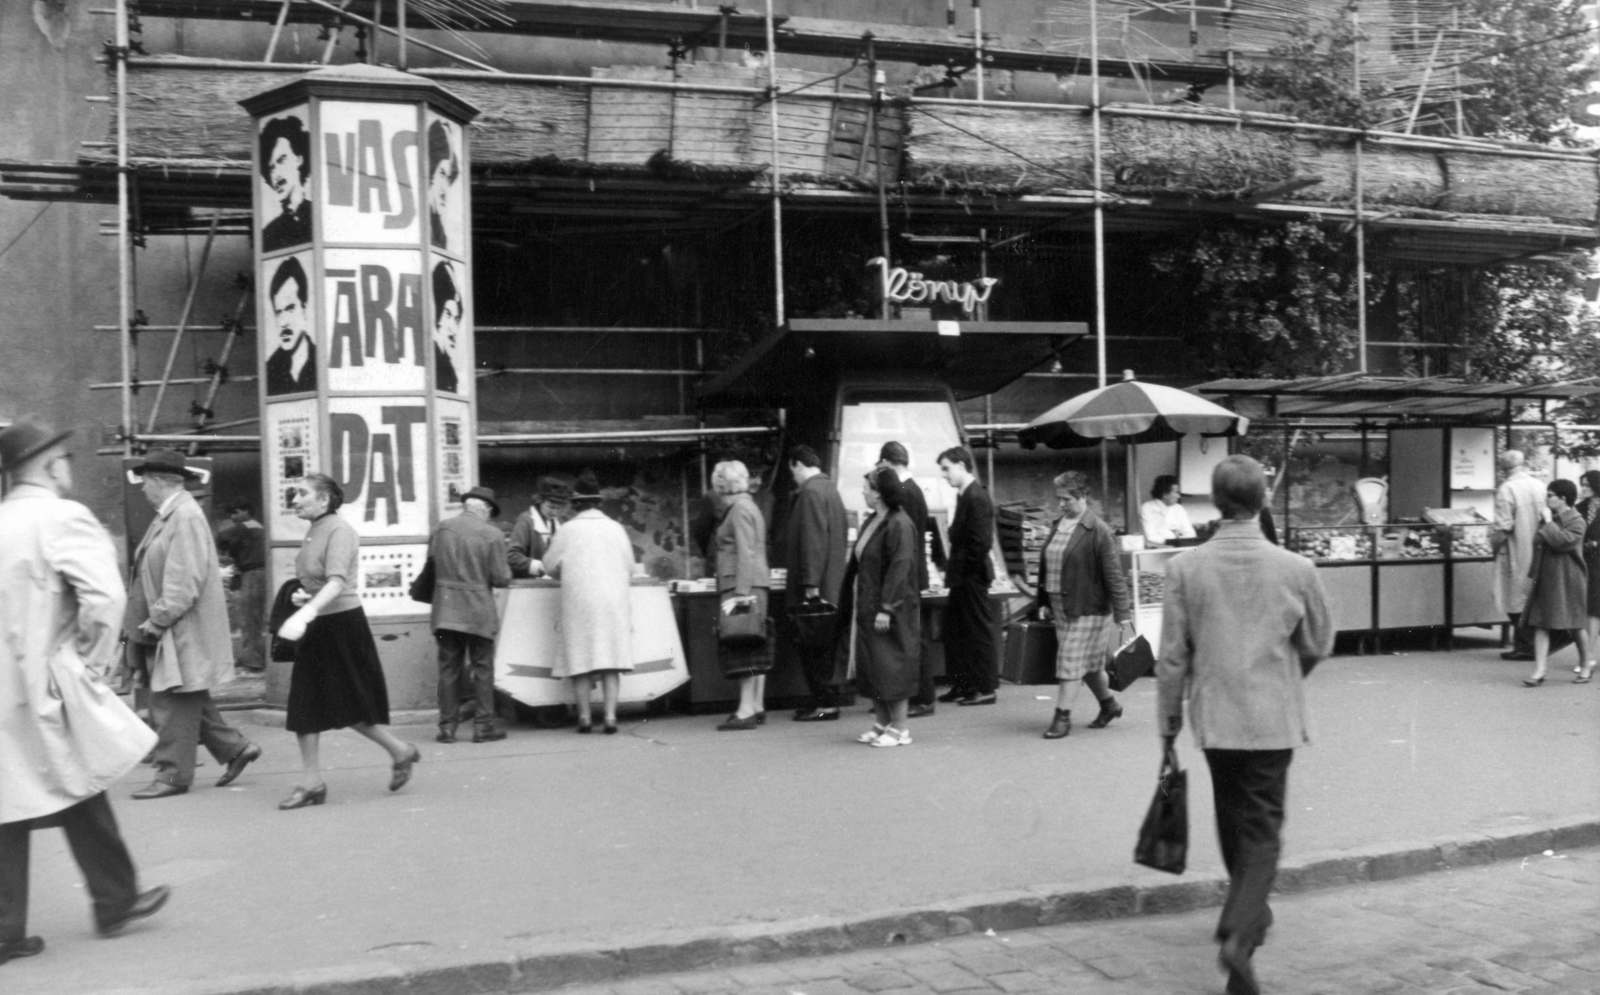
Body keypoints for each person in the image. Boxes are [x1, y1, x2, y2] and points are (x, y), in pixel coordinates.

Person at [1157, 455, 1334, 995]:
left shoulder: (1185, 567)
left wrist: (1167, 727)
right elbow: (1319, 641)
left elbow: (1171, 658)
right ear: (1263, 501)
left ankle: (1249, 914)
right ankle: (1240, 930)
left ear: (1215, 503)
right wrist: (1286, 673)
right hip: (1272, 717)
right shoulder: (1295, 569)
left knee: (1233, 816)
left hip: (1214, 714)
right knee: (1263, 829)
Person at [0, 420, 170, 964]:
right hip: (44, 682)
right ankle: (115, 901)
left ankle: (10, 928)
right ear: (51, 466)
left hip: (6, 689)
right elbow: (103, 597)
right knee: (77, 779)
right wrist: (92, 664)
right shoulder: (60, 516)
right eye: (65, 458)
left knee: (12, 798)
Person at [275, 474, 420, 810]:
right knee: (305, 702)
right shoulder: (315, 530)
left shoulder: (339, 531)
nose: (294, 499)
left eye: (302, 493)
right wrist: (304, 598)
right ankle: (313, 782)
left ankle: (400, 751)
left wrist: (305, 612)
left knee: (349, 701)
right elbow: (320, 581)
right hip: (320, 623)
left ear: (324, 500)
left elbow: (338, 582)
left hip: (341, 625)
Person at [125, 450, 261, 800]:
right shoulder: (173, 515)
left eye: (145, 484)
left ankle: (173, 775)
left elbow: (184, 579)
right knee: (188, 695)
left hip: (177, 627)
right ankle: (236, 749)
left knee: (169, 698)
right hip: (175, 625)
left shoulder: (183, 517)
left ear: (158, 482)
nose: (142, 490)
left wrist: (158, 619)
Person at [1034, 471, 1133, 740]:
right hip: (1061, 605)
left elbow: (1114, 574)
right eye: (1059, 499)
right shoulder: (1059, 524)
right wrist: (1043, 601)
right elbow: (1048, 567)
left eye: (1066, 499)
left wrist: (1123, 614)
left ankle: (1062, 718)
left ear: (1083, 497)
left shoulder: (1098, 530)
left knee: (1069, 661)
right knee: (1088, 665)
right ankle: (1110, 706)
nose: (1061, 504)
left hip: (1089, 607)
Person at [541, 472, 638, 733]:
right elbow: (630, 567)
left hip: (579, 602)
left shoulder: (567, 530)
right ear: (599, 502)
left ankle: (584, 717)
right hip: (612, 602)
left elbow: (549, 566)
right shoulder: (616, 528)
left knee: (580, 659)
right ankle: (609, 717)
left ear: (576, 504)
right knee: (611, 659)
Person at [840, 468, 923, 747]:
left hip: (889, 608)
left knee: (891, 666)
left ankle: (900, 728)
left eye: (866, 487)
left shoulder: (899, 523)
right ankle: (881, 722)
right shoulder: (874, 520)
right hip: (868, 604)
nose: (862, 491)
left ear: (878, 492)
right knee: (874, 665)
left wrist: (887, 607)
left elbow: (900, 568)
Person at [428, 486, 512, 743]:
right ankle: (483, 726)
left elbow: (431, 563)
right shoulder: (492, 534)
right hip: (478, 610)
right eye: (490, 512)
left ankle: (447, 727)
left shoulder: (441, 529)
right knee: (482, 668)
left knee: (449, 668)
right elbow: (501, 578)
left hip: (445, 608)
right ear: (484, 509)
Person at [783, 445, 849, 723]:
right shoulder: (830, 490)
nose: (793, 477)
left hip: (816, 589)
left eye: (792, 471)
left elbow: (812, 541)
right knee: (826, 649)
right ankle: (825, 702)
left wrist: (810, 584)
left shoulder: (810, 492)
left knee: (814, 649)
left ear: (798, 464)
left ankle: (824, 704)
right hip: (832, 585)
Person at [878, 441, 941, 718]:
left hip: (909, 576)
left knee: (915, 637)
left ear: (887, 462)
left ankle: (924, 697)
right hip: (914, 574)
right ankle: (917, 695)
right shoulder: (912, 489)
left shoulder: (906, 493)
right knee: (913, 636)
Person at [710, 460, 771, 731]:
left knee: (743, 644)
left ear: (722, 484)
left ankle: (745, 709)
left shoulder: (738, 510)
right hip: (753, 584)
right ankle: (755, 705)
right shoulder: (749, 506)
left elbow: (745, 552)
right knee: (754, 643)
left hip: (741, 586)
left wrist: (742, 594)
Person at [936, 446, 998, 706]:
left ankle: (985, 688)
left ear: (961, 466)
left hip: (970, 576)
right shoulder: (966, 495)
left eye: (947, 468)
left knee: (976, 630)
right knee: (957, 632)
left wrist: (965, 572)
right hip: (963, 575)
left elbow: (980, 543)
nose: (944, 474)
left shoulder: (976, 497)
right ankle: (963, 684)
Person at [1520, 478, 1591, 686]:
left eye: (1550, 496)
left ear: (1562, 498)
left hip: (1569, 579)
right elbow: (1538, 544)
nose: (1546, 499)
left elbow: (1562, 542)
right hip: (1547, 577)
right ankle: (1539, 670)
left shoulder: (1577, 520)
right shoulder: (1549, 518)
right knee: (1541, 623)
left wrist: (1549, 522)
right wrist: (1533, 574)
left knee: (1575, 624)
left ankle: (1586, 663)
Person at [1492, 450, 1550, 661]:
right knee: (1530, 595)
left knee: (1513, 597)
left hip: (1515, 548)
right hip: (1539, 547)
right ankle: (1531, 642)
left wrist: (1493, 546)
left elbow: (1503, 526)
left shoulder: (1507, 489)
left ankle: (1525, 644)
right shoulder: (1539, 485)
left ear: (1503, 469)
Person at [217, 500, 267, 672]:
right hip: (258, 573)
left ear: (246, 511)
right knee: (254, 618)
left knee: (249, 619)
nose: (233, 517)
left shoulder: (244, 527)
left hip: (253, 574)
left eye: (235, 512)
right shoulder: (257, 527)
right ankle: (250, 656)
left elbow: (220, 538)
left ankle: (253, 661)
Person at [258, 114, 312, 252]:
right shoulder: (268, 234)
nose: (276, 174)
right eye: (270, 168)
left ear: (299, 159)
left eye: (281, 159)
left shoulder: (319, 217)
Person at [264, 256, 316, 396]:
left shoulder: (322, 361)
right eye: (278, 312)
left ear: (304, 309)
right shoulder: (269, 371)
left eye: (290, 309)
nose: (283, 322)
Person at [509, 475, 571, 578]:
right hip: (530, 586)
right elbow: (512, 556)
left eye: (558, 508)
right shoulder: (526, 522)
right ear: (540, 501)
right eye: (551, 507)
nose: (554, 512)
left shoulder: (560, 522)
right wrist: (541, 567)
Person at [1576, 470, 1600, 680]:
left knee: (1593, 610)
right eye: (1581, 484)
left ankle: (1588, 656)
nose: (1583, 488)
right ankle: (1586, 655)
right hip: (1582, 563)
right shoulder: (1579, 508)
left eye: (1586, 484)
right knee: (1585, 609)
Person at [427, 119, 460, 251]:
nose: (444, 190)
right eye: (441, 174)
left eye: (448, 178)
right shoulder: (420, 227)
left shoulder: (439, 232)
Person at [1140, 474, 1196, 547]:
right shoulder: (1147, 508)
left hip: (1179, 549)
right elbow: (1150, 538)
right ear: (1165, 494)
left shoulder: (1179, 509)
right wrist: (1174, 534)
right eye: (1176, 492)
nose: (1178, 496)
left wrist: (1166, 534)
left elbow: (1191, 535)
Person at [433, 261, 463, 394]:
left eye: (456, 319)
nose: (454, 329)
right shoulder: (432, 360)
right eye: (448, 314)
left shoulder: (450, 370)